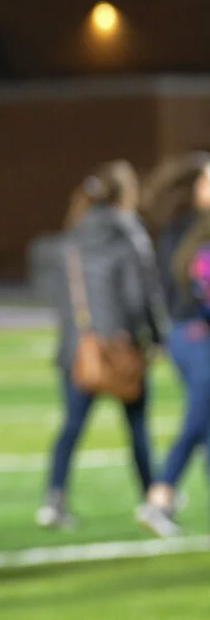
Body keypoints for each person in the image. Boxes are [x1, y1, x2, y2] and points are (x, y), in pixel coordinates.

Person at [27, 160, 166, 532]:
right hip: (120, 346)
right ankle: (153, 499)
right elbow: (141, 296)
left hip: (78, 348)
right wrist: (155, 337)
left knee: (71, 428)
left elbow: (58, 296)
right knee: (137, 428)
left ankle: (54, 500)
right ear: (126, 193)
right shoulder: (130, 233)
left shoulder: (72, 235)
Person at [139, 152, 210, 535]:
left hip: (183, 335)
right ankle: (160, 495)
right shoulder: (192, 231)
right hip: (197, 334)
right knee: (198, 418)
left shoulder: (177, 229)